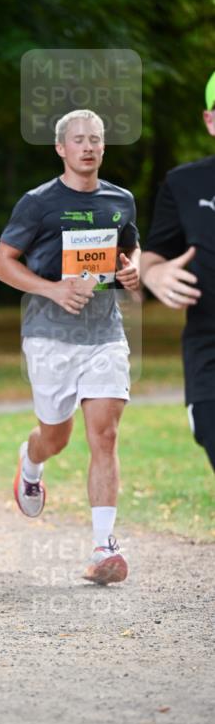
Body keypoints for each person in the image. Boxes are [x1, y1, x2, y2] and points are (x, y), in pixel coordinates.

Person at [0, 109, 141, 585]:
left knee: (105, 433)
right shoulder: (38, 203)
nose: (89, 147)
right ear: (61, 148)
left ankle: (103, 547)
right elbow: (0, 264)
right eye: (78, 140)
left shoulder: (121, 200)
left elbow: (129, 250)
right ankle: (31, 462)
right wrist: (53, 288)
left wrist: (132, 269)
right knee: (57, 437)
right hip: (49, 335)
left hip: (104, 335)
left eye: (96, 139)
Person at [141, 72, 215, 471]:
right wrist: (155, 275)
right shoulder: (184, 183)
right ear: (210, 121)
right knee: (209, 428)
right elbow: (153, 255)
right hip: (209, 344)